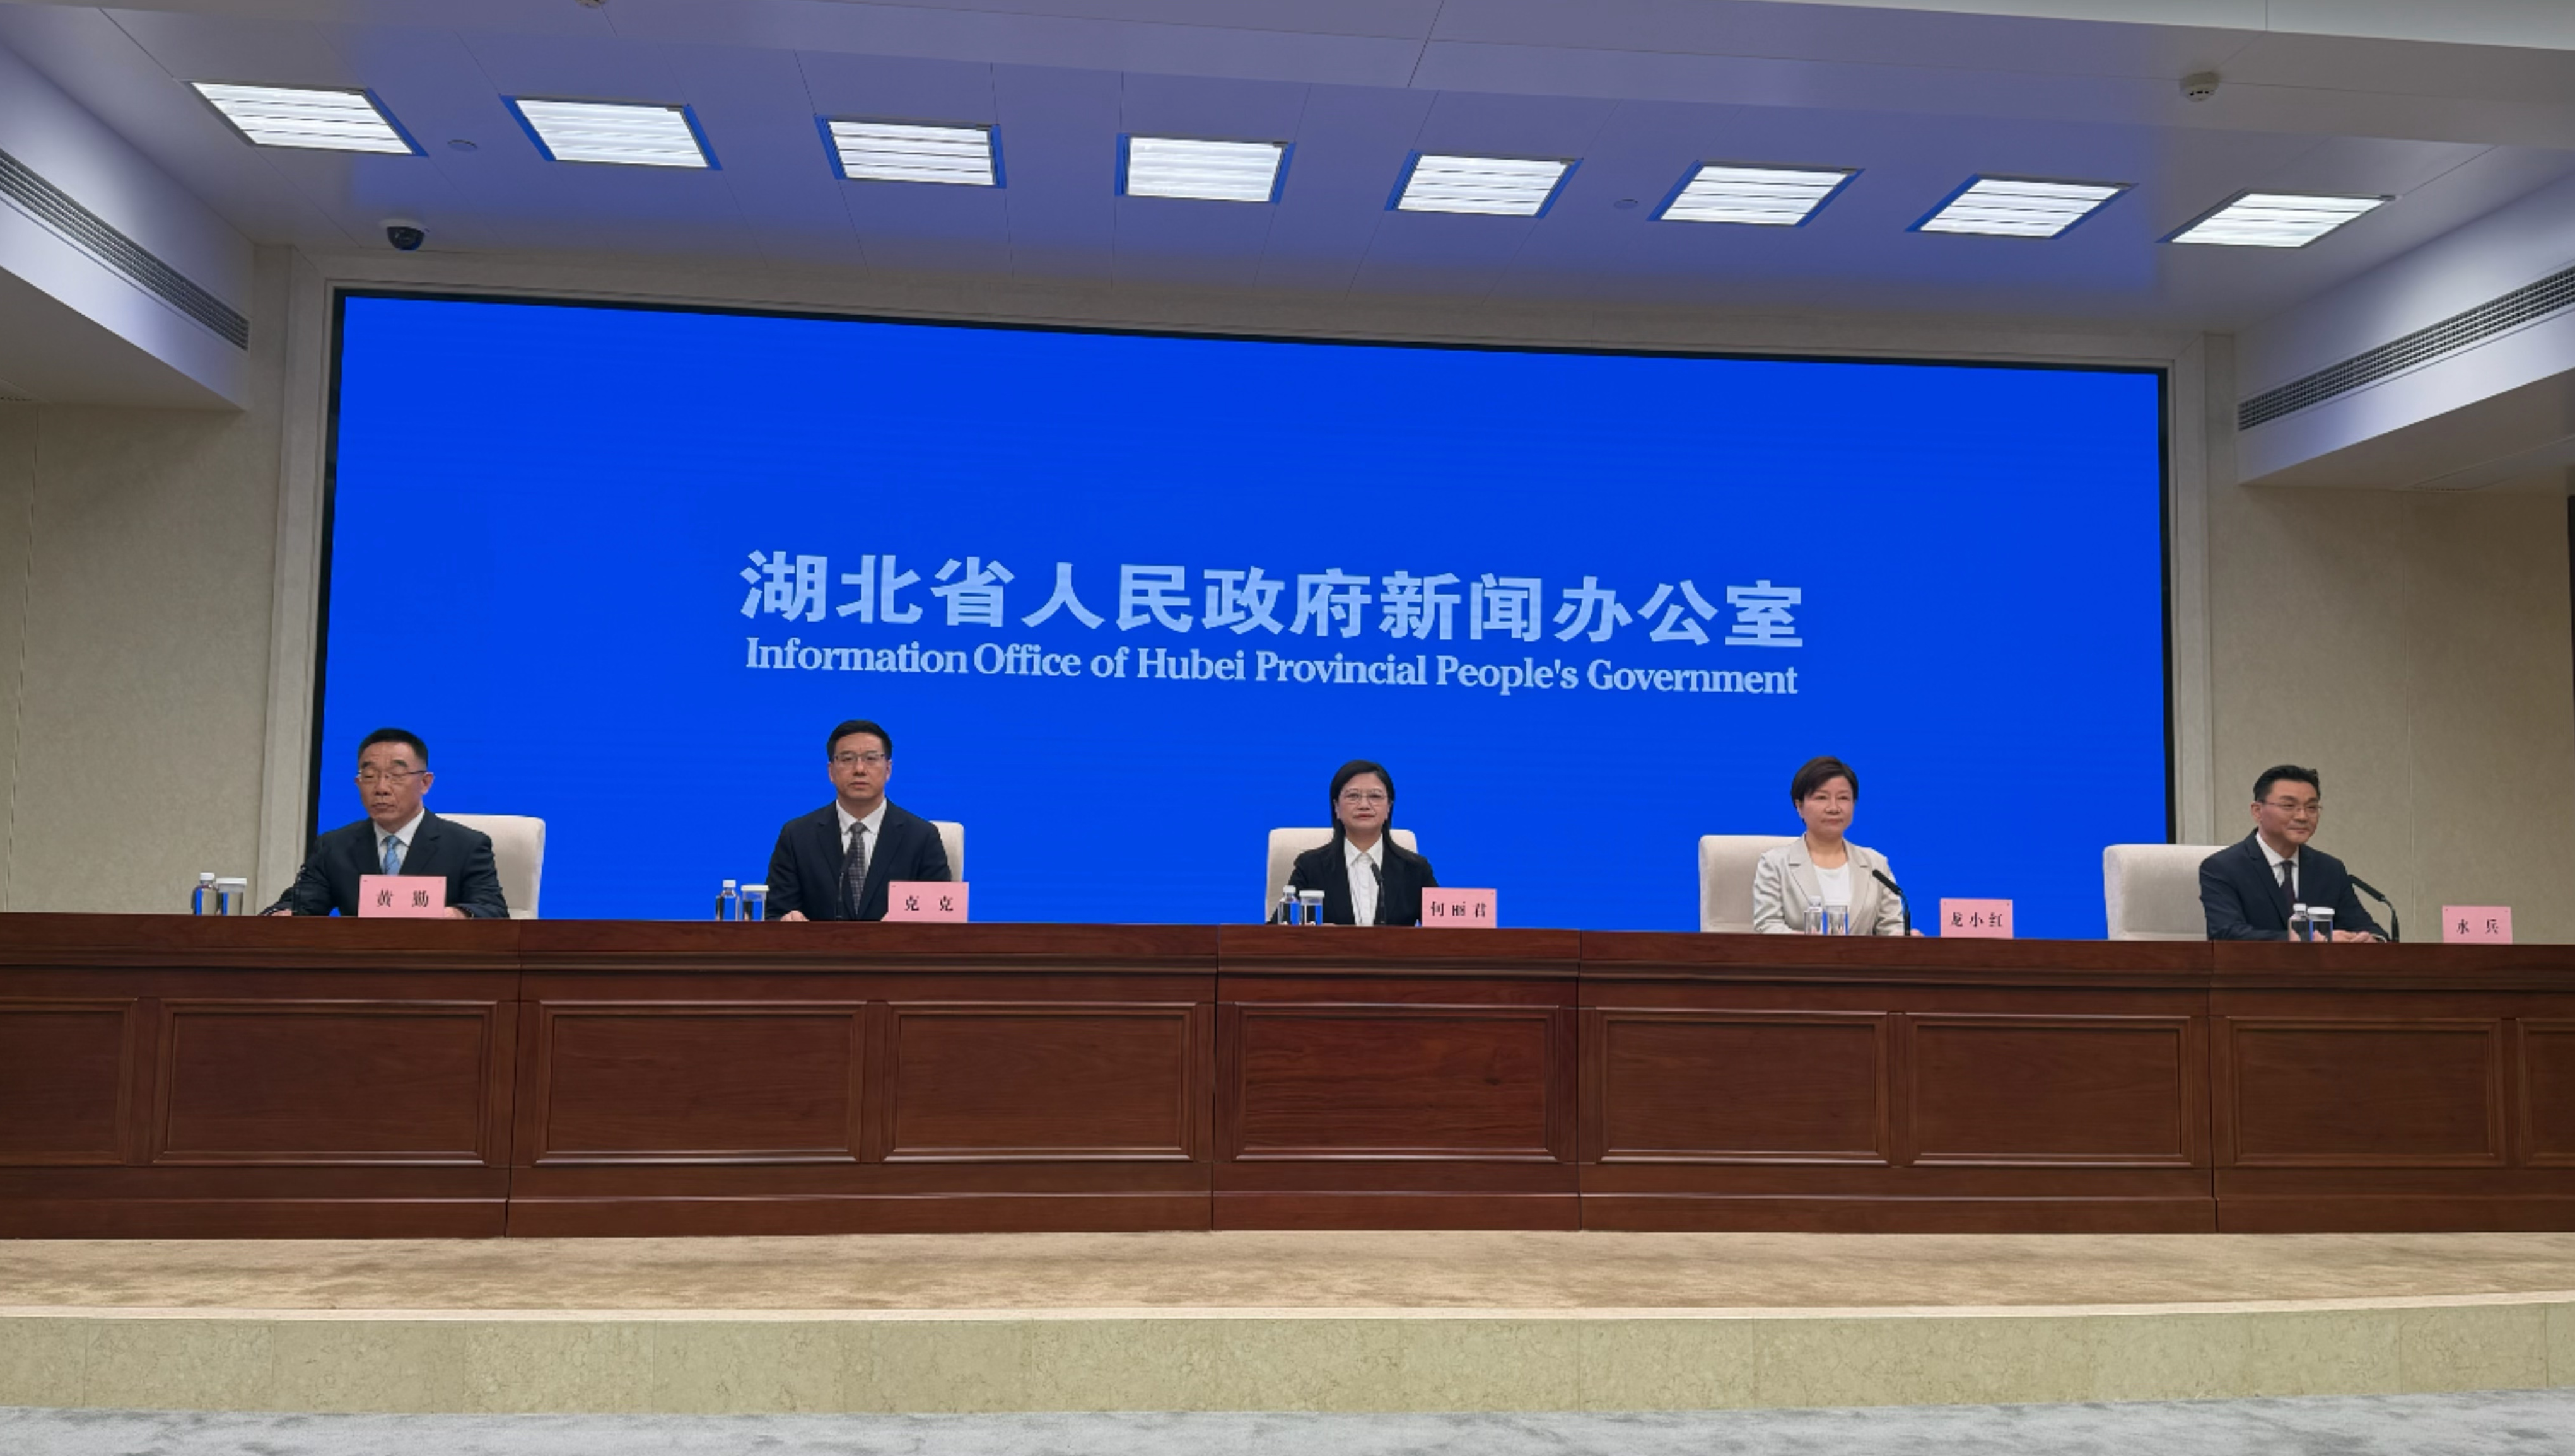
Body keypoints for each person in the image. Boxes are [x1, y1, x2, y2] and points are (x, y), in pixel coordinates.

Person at [264, 728, 508, 918]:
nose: (381, 788)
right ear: (358, 783)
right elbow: (300, 904)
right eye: (370, 777)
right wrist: (282, 914)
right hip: (360, 962)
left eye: (396, 776)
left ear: (425, 783)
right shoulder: (334, 846)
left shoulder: (466, 845)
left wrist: (454, 915)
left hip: (433, 961)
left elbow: (493, 911)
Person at [764, 718, 951, 921]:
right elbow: (775, 913)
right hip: (819, 943)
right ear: (831, 771)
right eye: (847, 759)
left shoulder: (921, 837)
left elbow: (941, 918)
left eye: (871, 758)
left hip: (897, 943)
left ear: (888, 770)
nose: (860, 769)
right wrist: (787, 920)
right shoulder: (798, 836)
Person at [2200, 765, 2385, 941]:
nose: (2302, 816)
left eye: (2311, 808)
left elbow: (2364, 927)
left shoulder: (2329, 869)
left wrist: (2371, 940)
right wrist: (2308, 940)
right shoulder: (2223, 867)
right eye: (2289, 806)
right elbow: (2227, 933)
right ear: (2257, 812)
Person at [1751, 755, 1910, 935]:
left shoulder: (1876, 864)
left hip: (1861, 955)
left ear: (1854, 804)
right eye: (1821, 798)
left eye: (1843, 798)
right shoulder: (1775, 864)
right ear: (1799, 807)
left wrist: (1904, 937)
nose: (1833, 808)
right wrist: (1813, 946)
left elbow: (1891, 928)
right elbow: (1768, 926)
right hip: (1798, 955)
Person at [1283, 759, 1438, 926]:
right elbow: (1277, 930)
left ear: (1389, 807)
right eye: (1353, 796)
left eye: (1375, 796)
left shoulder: (1415, 870)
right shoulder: (1311, 867)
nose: (1364, 805)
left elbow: (1444, 931)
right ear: (1336, 807)